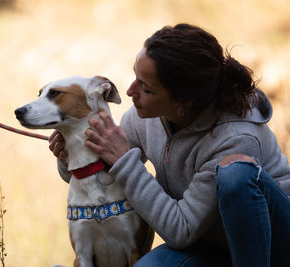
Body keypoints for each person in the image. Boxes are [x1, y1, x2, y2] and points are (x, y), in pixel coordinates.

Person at [48, 23, 290, 266]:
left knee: (235, 174)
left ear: (182, 103)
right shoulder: (143, 117)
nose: (131, 91)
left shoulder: (236, 138)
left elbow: (180, 230)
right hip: (210, 245)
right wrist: (70, 158)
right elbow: (104, 173)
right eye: (135, 77)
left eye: (146, 88)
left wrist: (124, 161)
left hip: (274, 245)